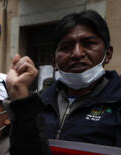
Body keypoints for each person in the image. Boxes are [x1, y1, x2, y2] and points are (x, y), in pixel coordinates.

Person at [40, 10, 121, 146]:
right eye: (66, 47)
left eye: (88, 44)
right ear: (54, 62)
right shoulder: (40, 103)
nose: (77, 54)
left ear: (107, 54)